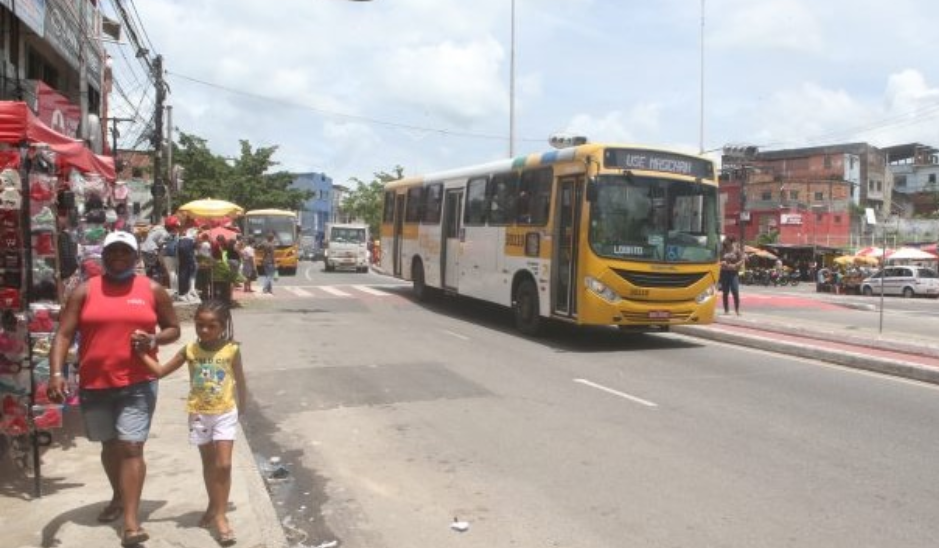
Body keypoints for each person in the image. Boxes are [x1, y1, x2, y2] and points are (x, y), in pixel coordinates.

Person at [46, 231, 181, 547]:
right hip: (95, 383)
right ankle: (119, 496)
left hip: (138, 382)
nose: (118, 257)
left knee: (131, 446)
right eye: (113, 252)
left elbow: (172, 329)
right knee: (109, 446)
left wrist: (153, 340)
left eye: (125, 252)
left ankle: (131, 523)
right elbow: (64, 335)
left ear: (136, 257)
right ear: (103, 256)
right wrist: (56, 373)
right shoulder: (84, 291)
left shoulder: (152, 289)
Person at [134, 299, 246, 547]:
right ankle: (214, 504)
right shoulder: (190, 351)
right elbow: (161, 371)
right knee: (209, 464)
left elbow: (240, 380)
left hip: (225, 412)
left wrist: (243, 407)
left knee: (224, 464)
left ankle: (221, 516)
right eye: (199, 325)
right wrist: (142, 354)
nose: (204, 331)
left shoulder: (232, 350)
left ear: (223, 325)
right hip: (199, 413)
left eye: (211, 326)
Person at [720, 236, 744, 315]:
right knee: (725, 292)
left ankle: (737, 310)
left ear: (731, 242)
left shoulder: (737, 250)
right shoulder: (723, 250)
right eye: (725, 243)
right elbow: (719, 259)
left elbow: (742, 260)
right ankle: (726, 310)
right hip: (724, 272)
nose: (726, 244)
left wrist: (736, 265)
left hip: (733, 273)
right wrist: (722, 262)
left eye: (727, 242)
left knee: (735, 291)